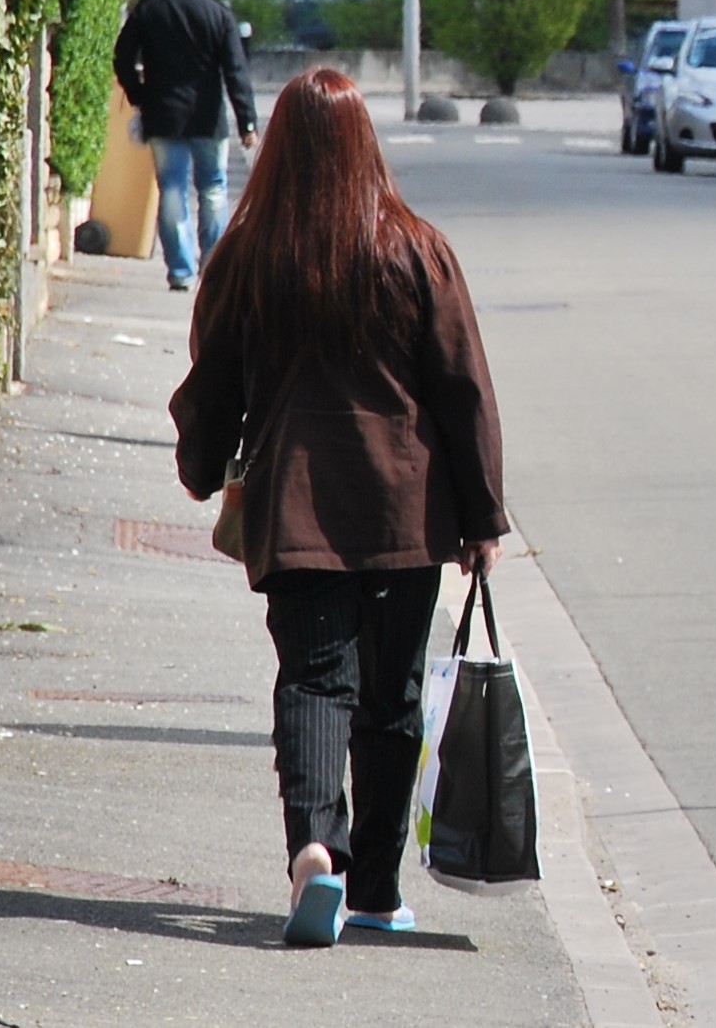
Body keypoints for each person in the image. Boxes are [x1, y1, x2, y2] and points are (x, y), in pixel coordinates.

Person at [169, 67, 508, 949]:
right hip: (405, 516)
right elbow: (463, 390)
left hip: (297, 508)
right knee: (391, 700)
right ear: (366, 145)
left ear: (280, 147)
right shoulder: (416, 248)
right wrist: (482, 519)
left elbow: (212, 384)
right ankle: (379, 891)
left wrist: (202, 466)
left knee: (314, 685)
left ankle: (315, 849)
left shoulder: (249, 256)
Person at [111, 0, 257, 291]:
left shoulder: (149, 10)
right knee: (213, 189)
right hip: (209, 118)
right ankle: (214, 267)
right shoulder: (219, 15)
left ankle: (180, 271)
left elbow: (122, 59)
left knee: (172, 189)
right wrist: (246, 122)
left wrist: (140, 95)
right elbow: (235, 71)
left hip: (163, 117)